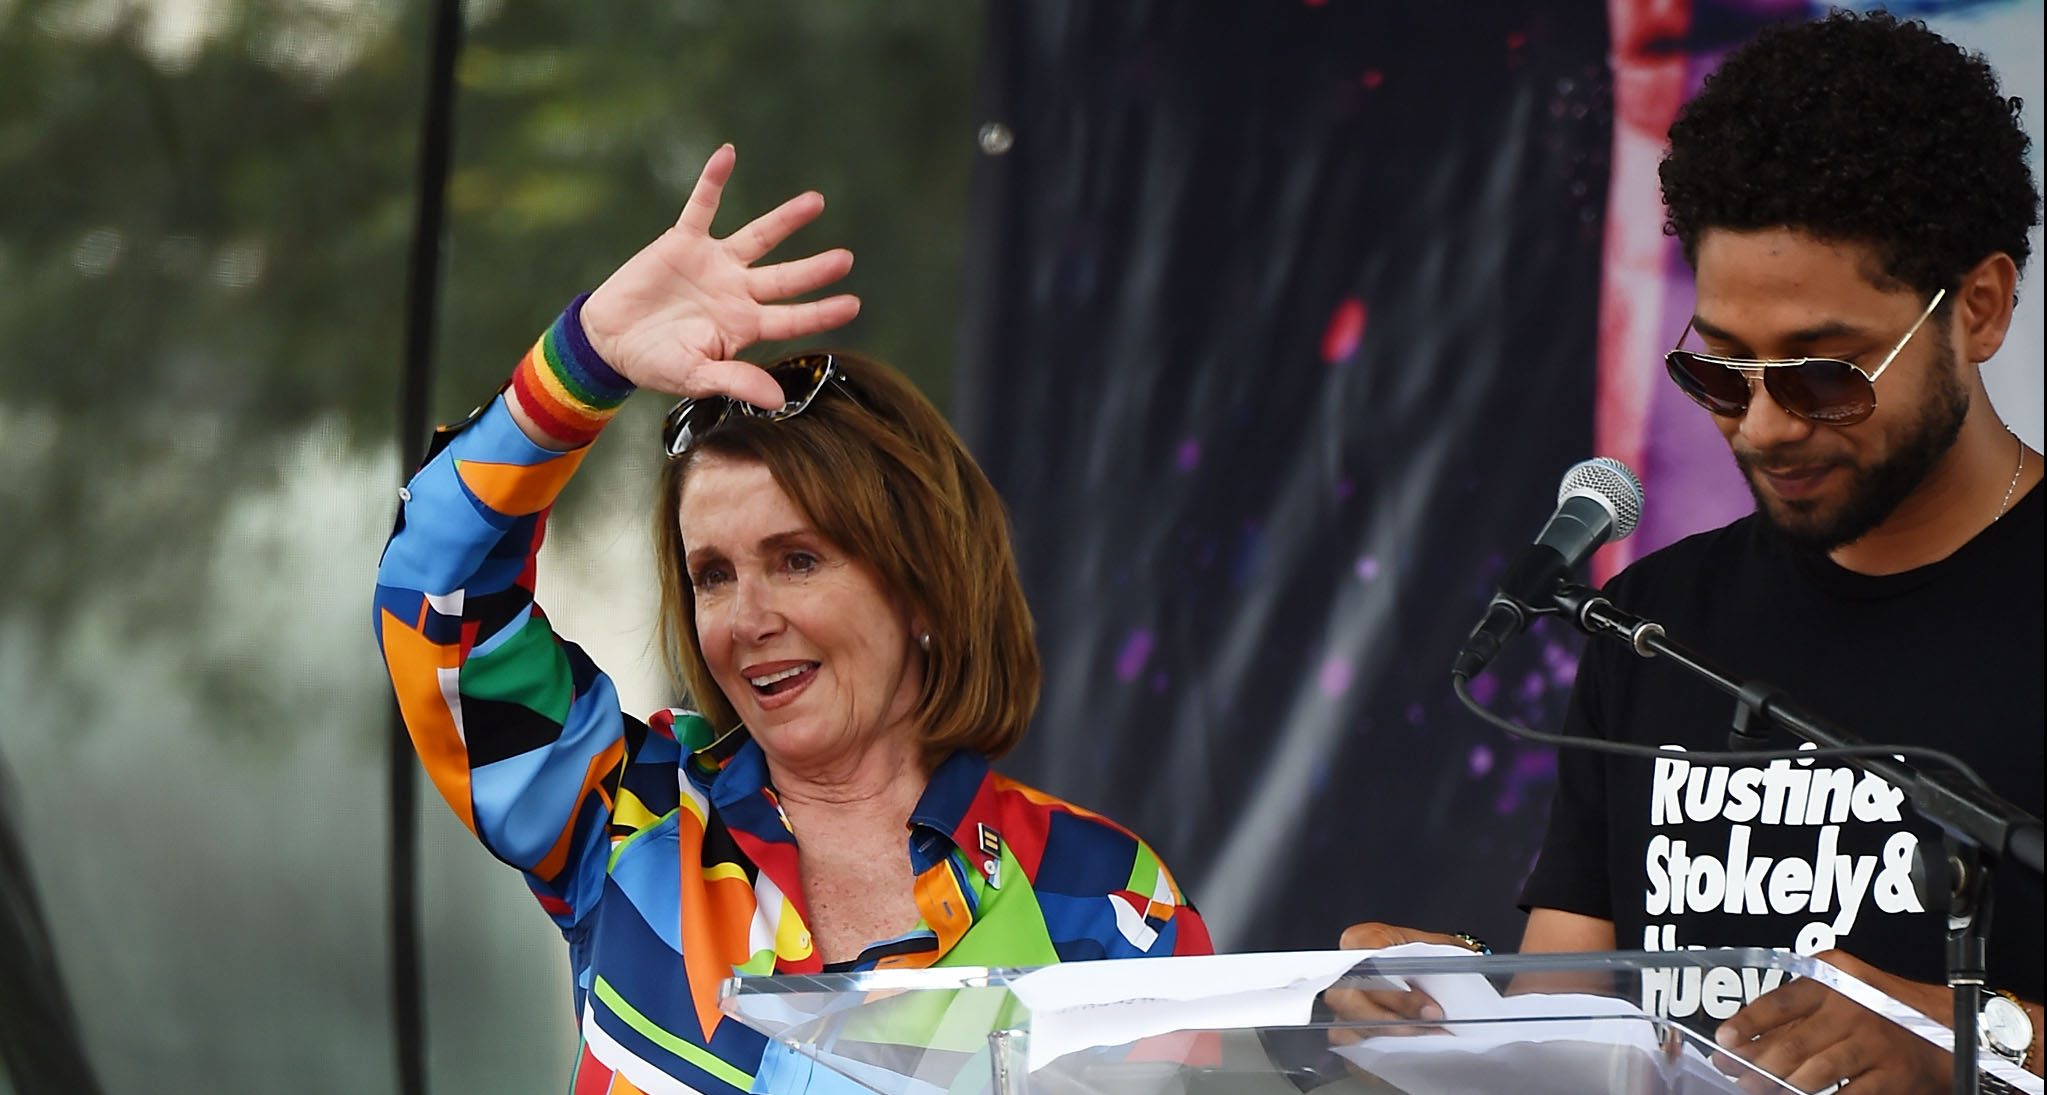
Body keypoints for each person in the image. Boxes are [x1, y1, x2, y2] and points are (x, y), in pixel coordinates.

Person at [372, 144, 1212, 1094]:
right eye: (712, 575)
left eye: (797, 559)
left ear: (925, 584)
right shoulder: (631, 814)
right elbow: (434, 593)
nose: (747, 618)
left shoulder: (1103, 900)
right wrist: (583, 363)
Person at [1338, 11, 2043, 1092]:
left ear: (1980, 309)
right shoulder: (1654, 622)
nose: (1761, 427)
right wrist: (1442, 1022)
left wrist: (1971, 1044)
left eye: (1821, 374)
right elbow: (1564, 1025)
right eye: (1720, 372)